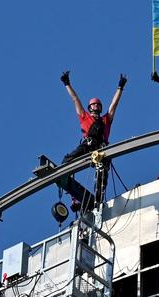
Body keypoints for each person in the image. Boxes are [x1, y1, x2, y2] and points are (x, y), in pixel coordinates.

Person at [60, 70, 127, 205]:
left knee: (102, 171)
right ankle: (62, 176)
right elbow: (75, 99)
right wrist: (67, 84)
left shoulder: (106, 120)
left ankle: (98, 199)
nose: (96, 106)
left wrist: (120, 87)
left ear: (100, 107)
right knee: (67, 160)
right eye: (93, 104)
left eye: (98, 104)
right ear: (90, 107)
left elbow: (114, 105)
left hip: (101, 148)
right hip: (88, 145)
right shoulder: (84, 117)